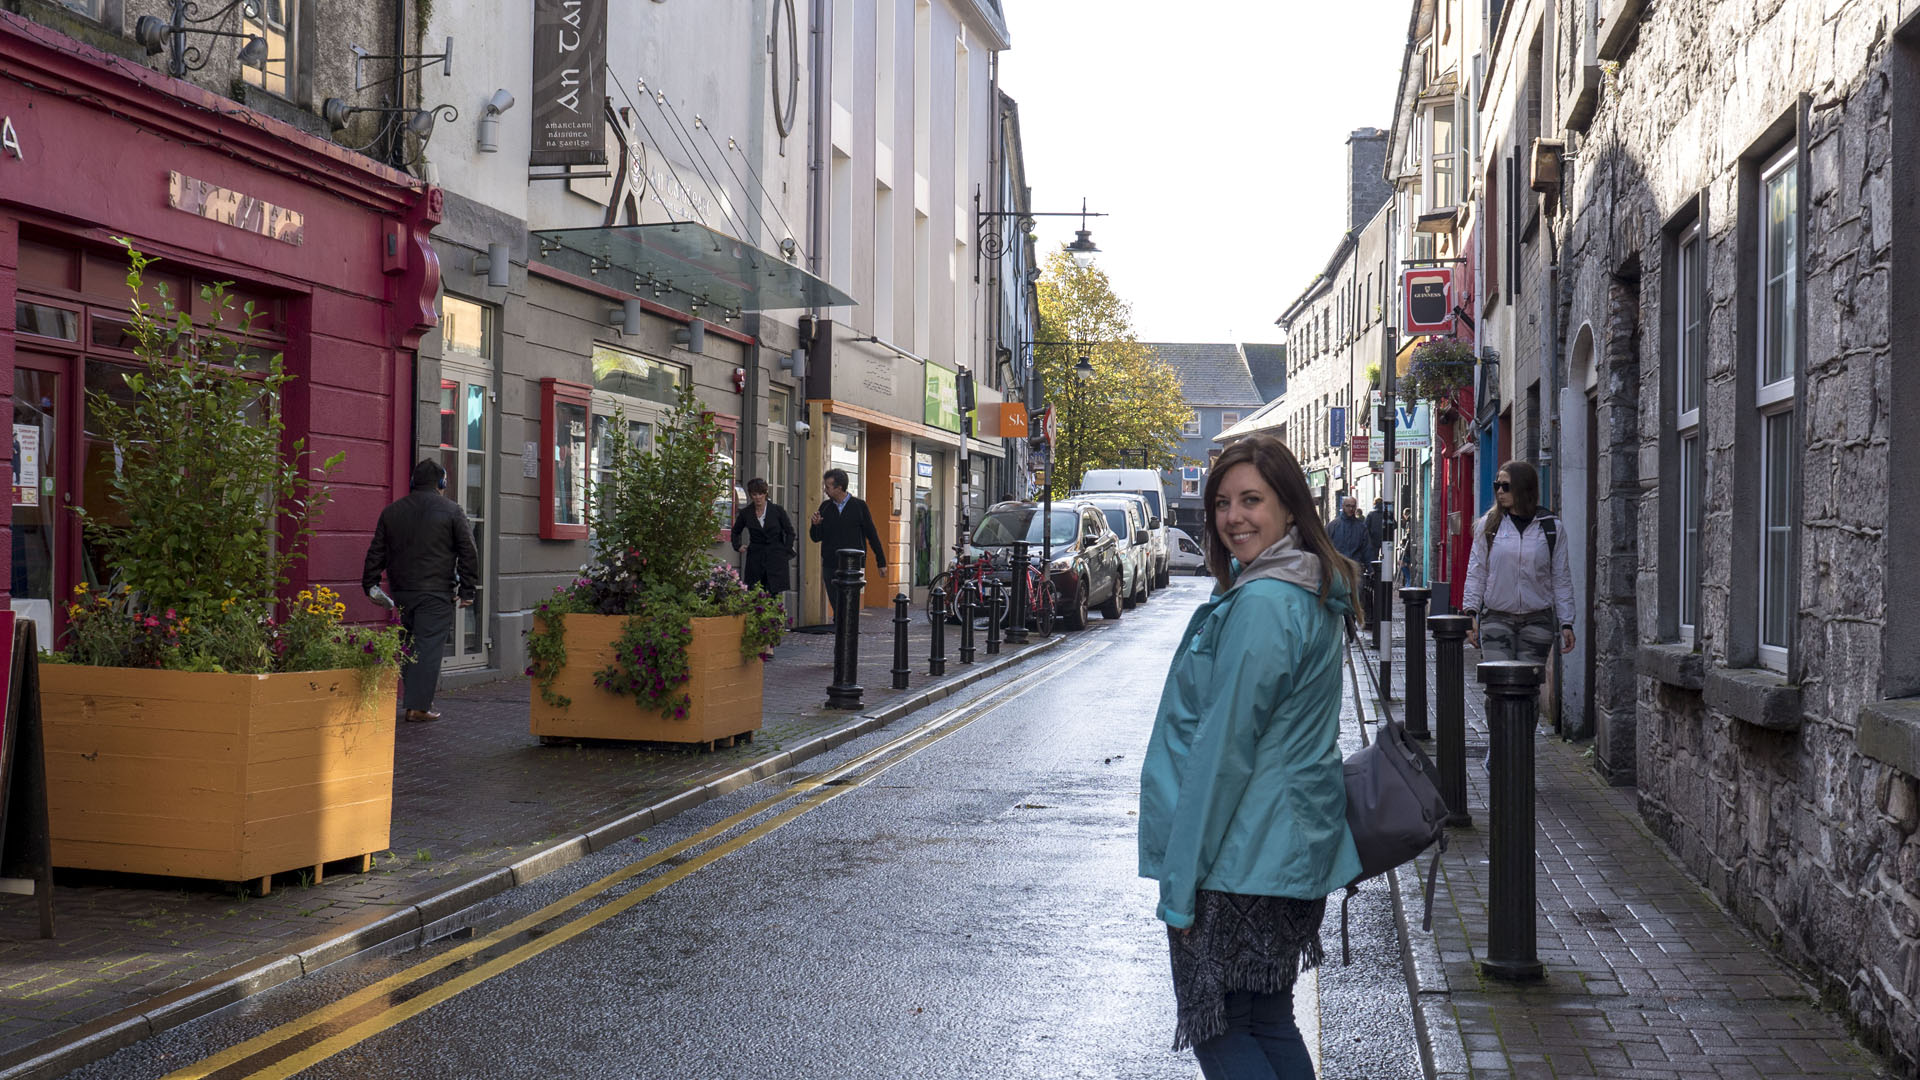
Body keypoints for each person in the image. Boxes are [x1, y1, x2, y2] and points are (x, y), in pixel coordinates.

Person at [1138, 434, 1363, 1078]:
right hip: (1282, 854)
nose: (1232, 516)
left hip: (1240, 861)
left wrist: (1179, 889)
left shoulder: (1265, 604)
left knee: (1219, 1027)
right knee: (1265, 1018)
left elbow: (1220, 756)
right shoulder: (1303, 586)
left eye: (1252, 500)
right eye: (1221, 502)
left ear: (1290, 507)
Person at [362, 459, 479, 723]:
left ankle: (415, 701)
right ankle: (417, 707)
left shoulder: (391, 512)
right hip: (436, 592)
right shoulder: (452, 511)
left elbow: (376, 551)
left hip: (402, 591)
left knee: (409, 644)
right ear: (441, 483)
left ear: (413, 482)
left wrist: (369, 584)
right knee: (427, 647)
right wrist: (468, 590)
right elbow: (468, 552)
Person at [1461, 460, 1575, 663]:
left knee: (1528, 686)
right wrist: (1471, 612)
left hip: (1537, 620)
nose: (1500, 491)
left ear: (1523, 488)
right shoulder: (1489, 526)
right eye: (1497, 486)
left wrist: (1566, 622)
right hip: (1497, 617)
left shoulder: (1550, 527)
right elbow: (1477, 571)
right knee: (1498, 685)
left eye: (1506, 486)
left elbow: (1560, 577)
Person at [808, 468, 886, 618]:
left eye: (828, 487)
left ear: (839, 488)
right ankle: (841, 632)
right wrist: (816, 525)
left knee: (849, 603)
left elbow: (872, 534)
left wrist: (881, 562)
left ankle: (846, 634)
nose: (825, 490)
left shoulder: (859, 506)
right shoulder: (825, 507)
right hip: (830, 563)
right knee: (836, 601)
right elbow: (816, 538)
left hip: (853, 565)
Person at [730, 478, 796, 595]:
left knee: (774, 595)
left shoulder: (777, 511)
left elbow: (790, 532)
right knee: (755, 595)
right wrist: (738, 546)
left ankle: (774, 613)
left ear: (766, 493)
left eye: (761, 493)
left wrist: (785, 550)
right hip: (755, 558)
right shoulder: (746, 513)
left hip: (776, 558)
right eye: (754, 494)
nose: (758, 497)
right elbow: (735, 531)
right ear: (750, 495)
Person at [1327, 495, 1375, 625]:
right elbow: (1325, 548)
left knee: (1355, 599)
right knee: (1337, 597)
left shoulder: (1361, 527)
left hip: (1355, 569)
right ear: (1343, 507)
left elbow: (1367, 549)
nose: (1351, 509)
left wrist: (1371, 569)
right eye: (1348, 506)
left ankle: (1351, 624)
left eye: (1353, 506)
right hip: (1337, 568)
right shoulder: (1333, 526)